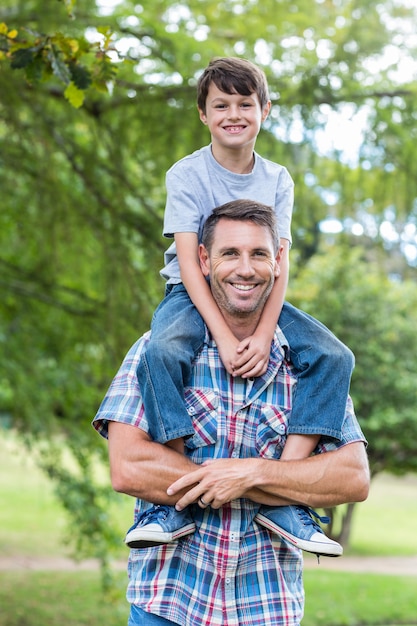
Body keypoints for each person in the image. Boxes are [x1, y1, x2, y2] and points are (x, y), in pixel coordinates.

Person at [93, 199, 370, 626]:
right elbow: (129, 468)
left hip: (267, 607)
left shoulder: (311, 366)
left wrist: (250, 473)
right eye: (230, 254)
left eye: (259, 253)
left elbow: (352, 477)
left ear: (278, 261)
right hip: (166, 606)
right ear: (203, 260)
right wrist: (264, 482)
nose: (246, 268)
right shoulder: (157, 351)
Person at [130, 57, 355, 555]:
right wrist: (227, 336)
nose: (234, 113)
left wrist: (262, 331)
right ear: (203, 115)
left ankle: (286, 498)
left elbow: (279, 261)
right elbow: (192, 264)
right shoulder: (186, 174)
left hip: (260, 297)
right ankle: (171, 497)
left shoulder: (278, 180)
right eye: (221, 105)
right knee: (161, 353)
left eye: (245, 104)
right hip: (191, 294)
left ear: (265, 110)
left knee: (336, 357)